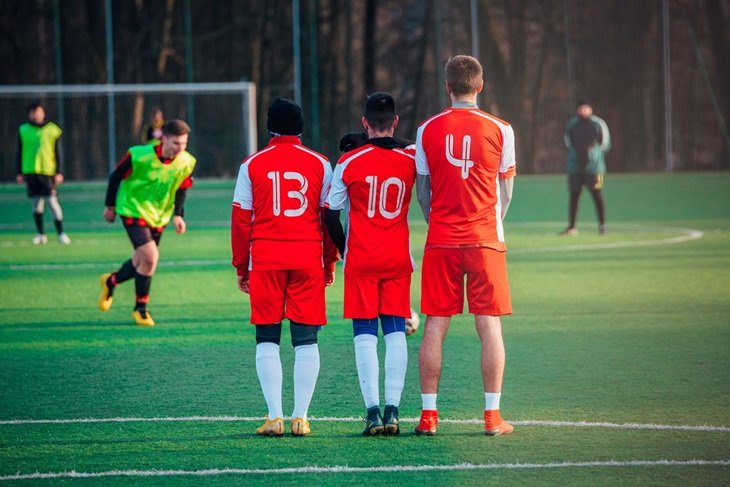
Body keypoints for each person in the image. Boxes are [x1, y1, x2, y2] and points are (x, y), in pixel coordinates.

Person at [414, 55, 516, 436]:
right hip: (486, 240)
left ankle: (428, 416)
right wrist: (488, 221)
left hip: (441, 239)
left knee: (435, 326)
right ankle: (492, 417)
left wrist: (441, 223)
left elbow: (422, 193)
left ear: (447, 86)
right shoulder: (501, 129)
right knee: (489, 326)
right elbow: (505, 193)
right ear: (481, 85)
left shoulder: (427, 129)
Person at [231, 98, 338, 437]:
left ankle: (275, 416)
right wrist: (329, 261)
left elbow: (240, 219)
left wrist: (240, 266)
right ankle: (301, 417)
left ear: (269, 127)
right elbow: (329, 217)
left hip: (266, 257)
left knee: (267, 337)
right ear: (301, 127)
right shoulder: (321, 163)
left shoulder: (252, 164)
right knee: (306, 341)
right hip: (307, 257)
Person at [324, 93, 416, 436]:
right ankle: (394, 411)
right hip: (396, 257)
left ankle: (373, 413)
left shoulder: (349, 160)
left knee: (364, 334)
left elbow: (330, 213)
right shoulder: (410, 155)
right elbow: (409, 152)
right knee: (395, 331)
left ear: (364, 124)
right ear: (394, 121)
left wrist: (345, 250)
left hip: (362, 257)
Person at [98, 119, 196, 327]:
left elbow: (182, 187)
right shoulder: (140, 156)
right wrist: (110, 206)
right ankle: (140, 309)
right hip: (132, 209)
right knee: (150, 257)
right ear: (164, 139)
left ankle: (110, 282)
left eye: (184, 143)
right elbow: (115, 177)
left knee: (140, 262)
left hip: (158, 215)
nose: (181, 148)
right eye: (177, 143)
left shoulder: (186, 162)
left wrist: (179, 215)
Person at [16, 103, 71, 245]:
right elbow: (19, 151)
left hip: (47, 172)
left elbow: (58, 152)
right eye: (33, 112)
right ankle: (40, 234)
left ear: (43, 113)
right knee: (36, 204)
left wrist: (59, 171)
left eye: (38, 112)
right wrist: (19, 171)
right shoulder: (24, 130)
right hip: (30, 171)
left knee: (52, 202)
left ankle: (61, 233)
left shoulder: (52, 129)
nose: (36, 115)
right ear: (30, 114)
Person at [561, 100, 611, 236]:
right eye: (581, 108)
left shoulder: (598, 124)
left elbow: (605, 144)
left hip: (595, 170)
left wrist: (592, 153)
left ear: (590, 109)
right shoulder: (571, 125)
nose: (584, 111)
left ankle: (602, 226)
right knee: (574, 196)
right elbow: (567, 144)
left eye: (586, 108)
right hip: (575, 169)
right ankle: (572, 227)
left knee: (597, 195)